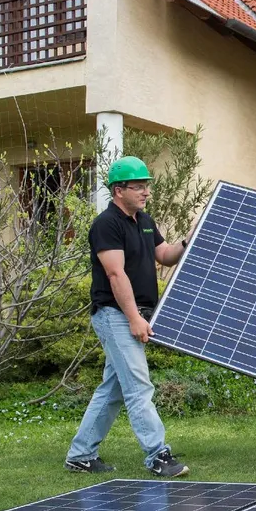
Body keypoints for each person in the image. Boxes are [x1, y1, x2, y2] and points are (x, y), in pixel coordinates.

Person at [65, 156, 191, 477]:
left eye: (147, 185)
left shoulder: (144, 220)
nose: (146, 191)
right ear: (119, 191)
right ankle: (157, 455)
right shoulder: (107, 224)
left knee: (113, 389)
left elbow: (164, 255)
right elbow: (115, 274)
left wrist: (187, 241)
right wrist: (134, 317)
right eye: (139, 186)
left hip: (136, 313)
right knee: (138, 386)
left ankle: (80, 454)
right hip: (115, 314)